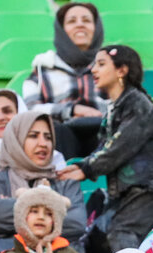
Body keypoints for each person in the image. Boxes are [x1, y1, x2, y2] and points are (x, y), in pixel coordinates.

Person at [58, 45, 153, 252]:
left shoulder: (137, 102)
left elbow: (121, 145)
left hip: (147, 189)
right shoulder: (117, 106)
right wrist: (83, 166)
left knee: (121, 232)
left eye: (101, 64)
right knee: (98, 237)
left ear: (122, 70)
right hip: (127, 191)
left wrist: (87, 168)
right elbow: (106, 147)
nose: (93, 69)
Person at [0, 112, 87, 245]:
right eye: (33, 136)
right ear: (16, 140)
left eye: (48, 137)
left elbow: (76, 223)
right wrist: (54, 209)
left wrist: (17, 204)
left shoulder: (64, 181)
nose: (43, 143)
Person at [23, 2, 107, 158]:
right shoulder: (42, 71)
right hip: (60, 139)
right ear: (62, 30)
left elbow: (126, 104)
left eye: (86, 20)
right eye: (72, 21)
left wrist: (98, 115)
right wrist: (71, 110)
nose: (80, 25)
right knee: (58, 130)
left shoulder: (111, 67)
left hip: (103, 134)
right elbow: (30, 110)